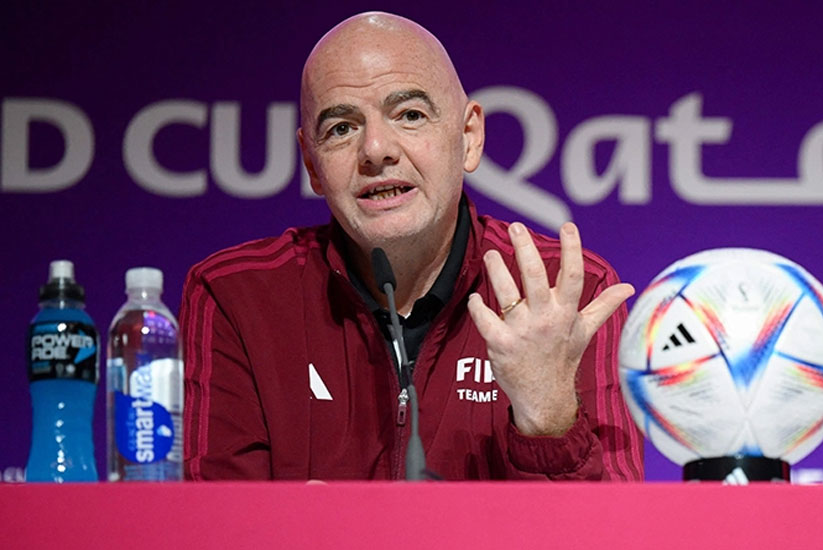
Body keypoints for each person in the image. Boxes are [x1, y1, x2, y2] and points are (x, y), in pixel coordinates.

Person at [180, 12, 644, 480]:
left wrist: (549, 419)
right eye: (341, 128)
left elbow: (616, 519)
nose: (375, 149)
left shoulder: (563, 294)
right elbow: (212, 516)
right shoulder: (239, 298)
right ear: (312, 164)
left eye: (410, 115)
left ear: (468, 137)